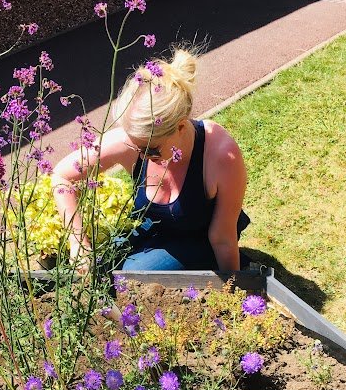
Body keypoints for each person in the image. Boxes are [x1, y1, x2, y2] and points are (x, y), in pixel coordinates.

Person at [51, 48, 250, 272]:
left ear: (181, 126)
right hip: (153, 232)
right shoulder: (132, 142)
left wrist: (234, 288)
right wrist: (78, 242)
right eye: (136, 146)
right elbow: (61, 176)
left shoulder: (221, 155)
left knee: (130, 278)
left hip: (200, 238)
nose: (143, 156)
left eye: (152, 149)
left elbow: (222, 238)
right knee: (93, 268)